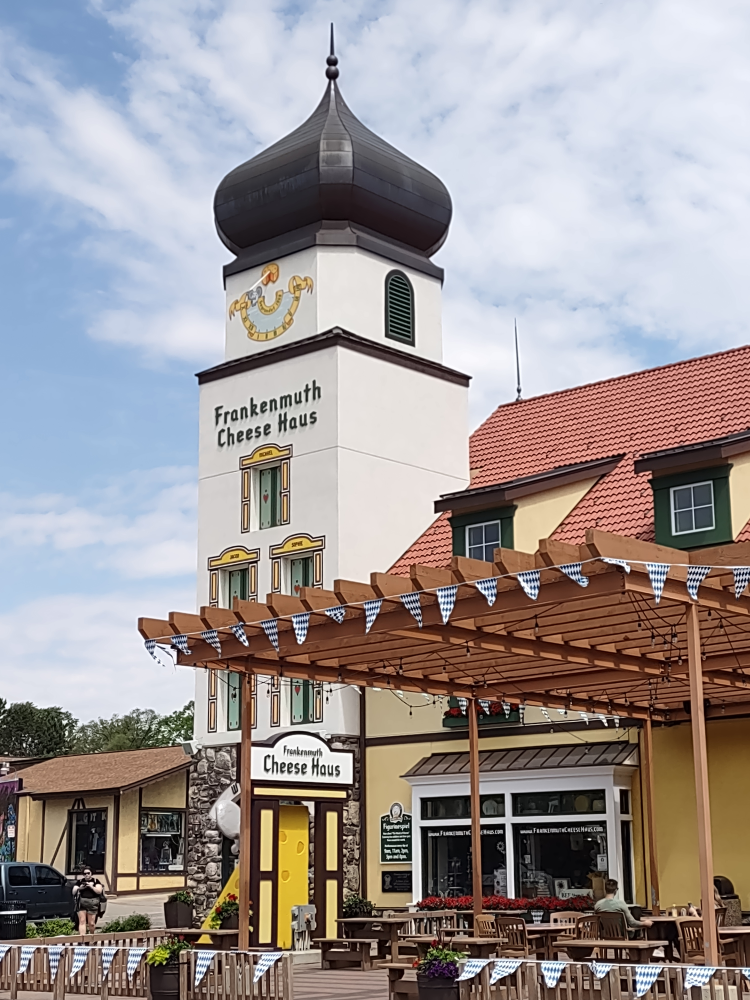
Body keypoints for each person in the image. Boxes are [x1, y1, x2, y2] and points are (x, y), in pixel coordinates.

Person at [72, 866, 104, 935]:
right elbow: (73, 892)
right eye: (85, 873)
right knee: (82, 921)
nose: (86, 875)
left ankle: (91, 936)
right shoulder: (80, 881)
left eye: (88, 873)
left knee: (91, 923)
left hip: (93, 903)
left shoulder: (96, 881)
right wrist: (80, 888)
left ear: (91, 873)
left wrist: (91, 886)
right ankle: (82, 938)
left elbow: (99, 891)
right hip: (82, 903)